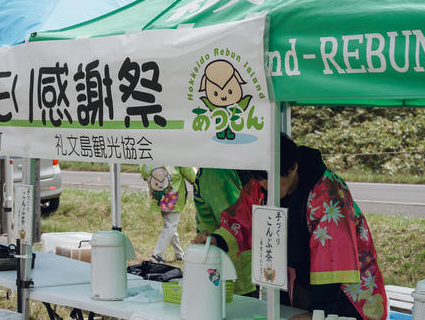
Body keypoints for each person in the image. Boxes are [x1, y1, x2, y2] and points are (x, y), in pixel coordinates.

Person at [211, 134, 387, 320]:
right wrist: (216, 240)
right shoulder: (262, 184)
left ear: (293, 167)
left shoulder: (328, 192)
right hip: (297, 279)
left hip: (343, 286)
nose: (264, 185)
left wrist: (318, 314)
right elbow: (242, 219)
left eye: (270, 179)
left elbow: (333, 256)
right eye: (260, 179)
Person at [192, 167, 256, 296]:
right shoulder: (217, 172)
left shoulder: (216, 168)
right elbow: (237, 219)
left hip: (224, 258)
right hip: (232, 264)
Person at [139, 165, 196, 263]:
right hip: (173, 196)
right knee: (170, 226)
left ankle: (179, 254)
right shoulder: (177, 153)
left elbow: (144, 167)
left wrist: (146, 175)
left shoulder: (153, 150)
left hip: (158, 194)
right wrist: (195, 179)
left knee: (170, 225)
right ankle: (157, 255)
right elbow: (189, 171)